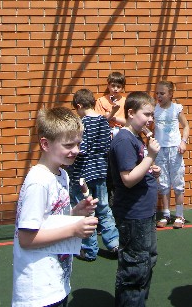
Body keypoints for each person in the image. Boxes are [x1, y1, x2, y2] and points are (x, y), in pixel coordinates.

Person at [12, 107, 99, 307]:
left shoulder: (62, 175)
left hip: (56, 282)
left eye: (78, 143)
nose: (76, 150)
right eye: (68, 145)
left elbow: (50, 218)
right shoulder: (38, 181)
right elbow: (26, 238)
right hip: (37, 290)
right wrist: (74, 229)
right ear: (45, 144)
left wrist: (76, 213)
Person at [108, 91, 161, 307]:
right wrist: (150, 157)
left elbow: (137, 170)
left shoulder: (136, 138)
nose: (150, 119)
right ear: (130, 113)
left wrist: (150, 168)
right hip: (133, 214)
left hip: (144, 212)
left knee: (146, 260)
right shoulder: (123, 140)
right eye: (147, 114)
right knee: (135, 267)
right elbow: (128, 179)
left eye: (152, 115)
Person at [68, 88, 119, 261]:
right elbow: (107, 146)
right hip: (100, 171)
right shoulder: (103, 122)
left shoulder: (83, 123)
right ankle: (114, 243)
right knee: (104, 208)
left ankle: (89, 249)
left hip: (82, 175)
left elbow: (81, 150)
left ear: (80, 105)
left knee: (86, 212)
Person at [153, 80, 190, 229]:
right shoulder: (154, 109)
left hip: (175, 149)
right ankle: (167, 214)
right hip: (160, 150)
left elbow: (186, 125)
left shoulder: (176, 109)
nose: (159, 96)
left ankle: (180, 215)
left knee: (177, 183)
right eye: (157, 93)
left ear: (170, 94)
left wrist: (183, 141)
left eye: (162, 93)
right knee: (163, 183)